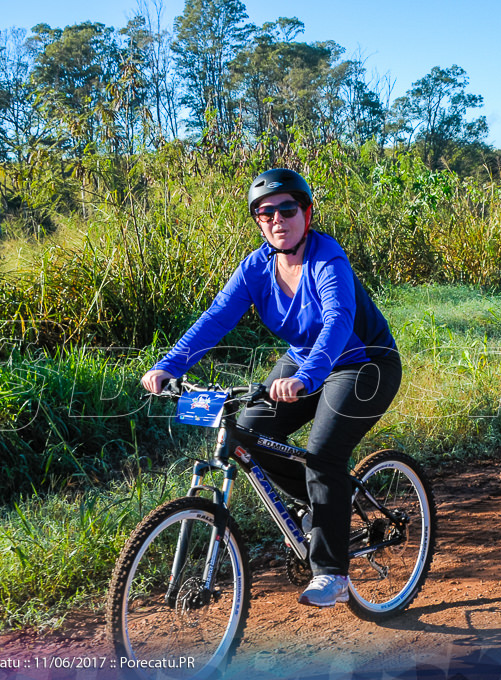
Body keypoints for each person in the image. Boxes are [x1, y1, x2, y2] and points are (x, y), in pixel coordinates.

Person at [141, 168, 402, 608]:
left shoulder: (327, 259)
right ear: (258, 221)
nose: (277, 219)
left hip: (364, 364)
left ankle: (333, 573)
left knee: (322, 454)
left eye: (287, 209)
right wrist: (169, 365)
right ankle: (325, 507)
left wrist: (306, 378)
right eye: (266, 212)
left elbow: (338, 320)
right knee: (249, 434)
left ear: (307, 212)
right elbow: (215, 321)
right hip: (305, 360)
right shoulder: (256, 269)